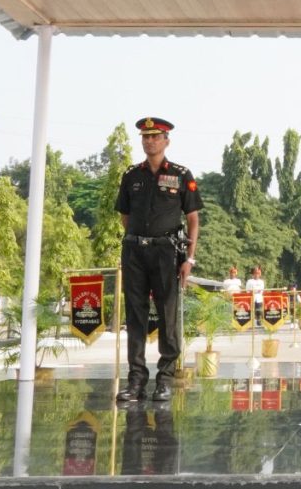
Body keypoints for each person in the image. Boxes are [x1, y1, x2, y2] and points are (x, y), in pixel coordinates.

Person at [115, 117, 202, 403]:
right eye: (145, 137)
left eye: (155, 136)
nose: (149, 141)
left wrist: (189, 258)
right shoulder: (132, 175)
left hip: (167, 252)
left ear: (166, 141)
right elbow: (125, 215)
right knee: (136, 316)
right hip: (135, 251)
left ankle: (164, 379)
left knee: (167, 314)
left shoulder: (181, 175)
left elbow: (192, 219)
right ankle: (136, 381)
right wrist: (139, 237)